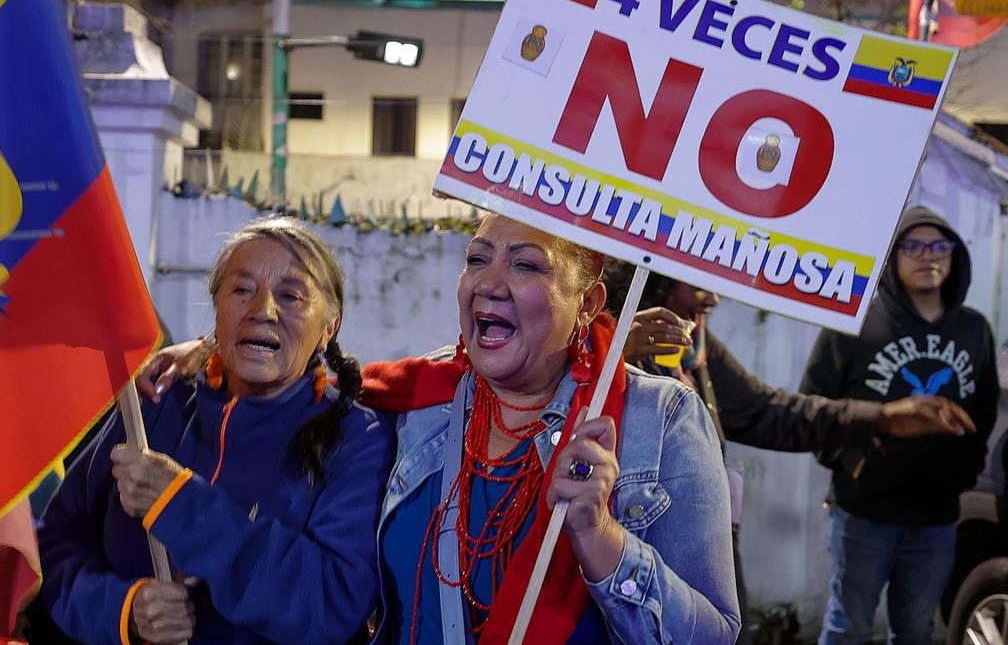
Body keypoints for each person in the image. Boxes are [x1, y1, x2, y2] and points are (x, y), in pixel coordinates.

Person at [144, 214, 741, 645]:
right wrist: (218, 347)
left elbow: (714, 634)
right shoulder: (414, 400)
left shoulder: (659, 421)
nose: (489, 281)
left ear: (587, 304)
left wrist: (599, 534)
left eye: (526, 264)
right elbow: (310, 371)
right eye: (477, 258)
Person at [36, 218, 394, 645]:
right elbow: (54, 547)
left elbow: (330, 605)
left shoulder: (358, 439)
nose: (263, 309)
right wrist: (125, 610)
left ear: (328, 329)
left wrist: (181, 503)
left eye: (291, 296)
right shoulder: (156, 404)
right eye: (241, 290)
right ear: (217, 309)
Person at [601, 261, 975, 645]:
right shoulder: (601, 346)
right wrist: (611, 357)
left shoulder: (696, 351)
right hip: (622, 554)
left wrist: (881, 418)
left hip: (698, 555)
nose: (712, 299)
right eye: (696, 282)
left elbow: (769, 413)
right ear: (655, 279)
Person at [800, 206, 999, 645]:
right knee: (848, 628)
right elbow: (813, 404)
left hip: (937, 517)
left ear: (954, 255)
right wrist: (850, 464)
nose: (928, 255)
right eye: (914, 245)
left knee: (915, 631)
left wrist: (965, 470)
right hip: (864, 514)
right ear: (893, 256)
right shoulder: (856, 323)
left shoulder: (973, 329)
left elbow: (984, 411)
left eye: (939, 246)